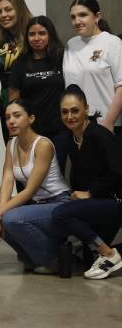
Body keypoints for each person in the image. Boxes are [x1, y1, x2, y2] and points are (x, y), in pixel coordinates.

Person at [0, 100, 70, 273]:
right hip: (37, 205)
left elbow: (30, 189)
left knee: (10, 219)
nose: (11, 121)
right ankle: (34, 258)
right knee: (1, 220)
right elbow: (7, 179)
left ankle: (52, 259)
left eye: (17, 115)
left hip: (59, 202)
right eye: (8, 117)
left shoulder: (43, 145)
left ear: (31, 118)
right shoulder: (11, 144)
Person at [51, 85, 122, 280]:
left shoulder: (100, 135)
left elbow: (118, 172)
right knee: (88, 259)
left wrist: (90, 193)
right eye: (65, 112)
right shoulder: (73, 140)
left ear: (86, 110)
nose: (69, 116)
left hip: (113, 202)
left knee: (60, 215)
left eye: (75, 110)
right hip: (96, 204)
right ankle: (104, 251)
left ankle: (109, 254)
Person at [9, 16, 67, 169]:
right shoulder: (19, 63)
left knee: (55, 174)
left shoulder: (62, 58)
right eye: (32, 34)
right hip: (31, 131)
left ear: (50, 35)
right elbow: (14, 101)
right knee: (29, 174)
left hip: (59, 129)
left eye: (42, 33)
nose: (36, 38)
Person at [62, 0, 122, 135]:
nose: (77, 21)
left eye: (83, 15)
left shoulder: (112, 43)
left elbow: (121, 87)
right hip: (76, 126)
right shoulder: (71, 44)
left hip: (107, 125)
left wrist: (109, 122)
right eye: (73, 17)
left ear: (97, 16)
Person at [0, 0, 33, 138]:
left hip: (31, 99)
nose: (3, 15)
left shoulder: (34, 35)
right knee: (13, 148)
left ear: (19, 9)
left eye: (8, 9)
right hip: (6, 102)